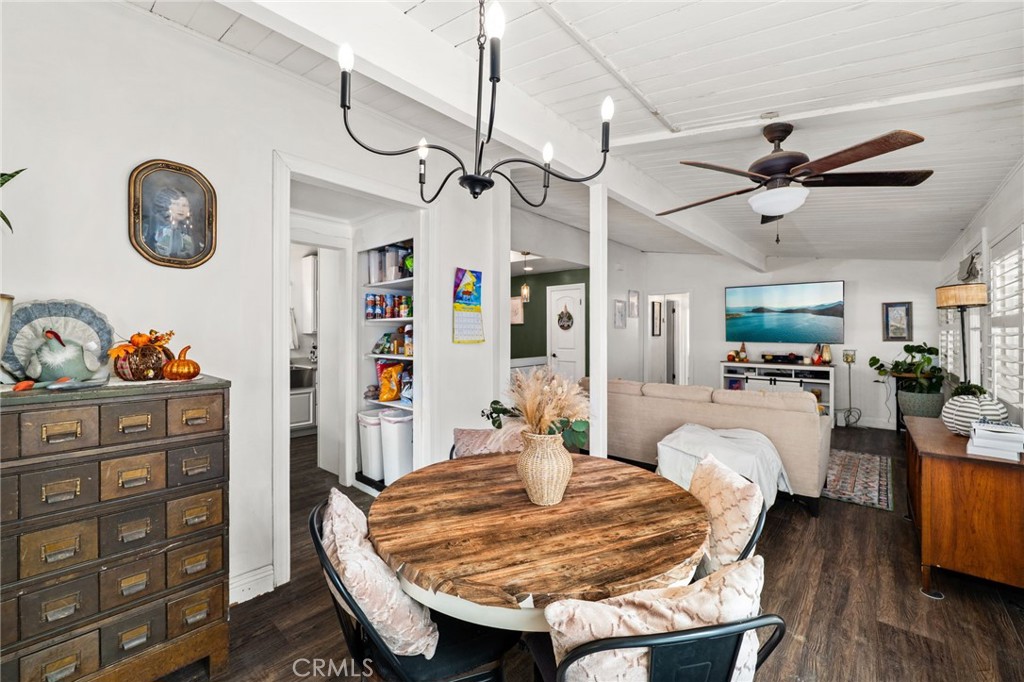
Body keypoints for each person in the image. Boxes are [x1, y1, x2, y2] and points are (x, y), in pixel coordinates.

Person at [148, 186, 201, 259]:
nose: (181, 209)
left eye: (185, 205)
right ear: (165, 204)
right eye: (176, 204)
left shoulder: (188, 233)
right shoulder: (151, 227)